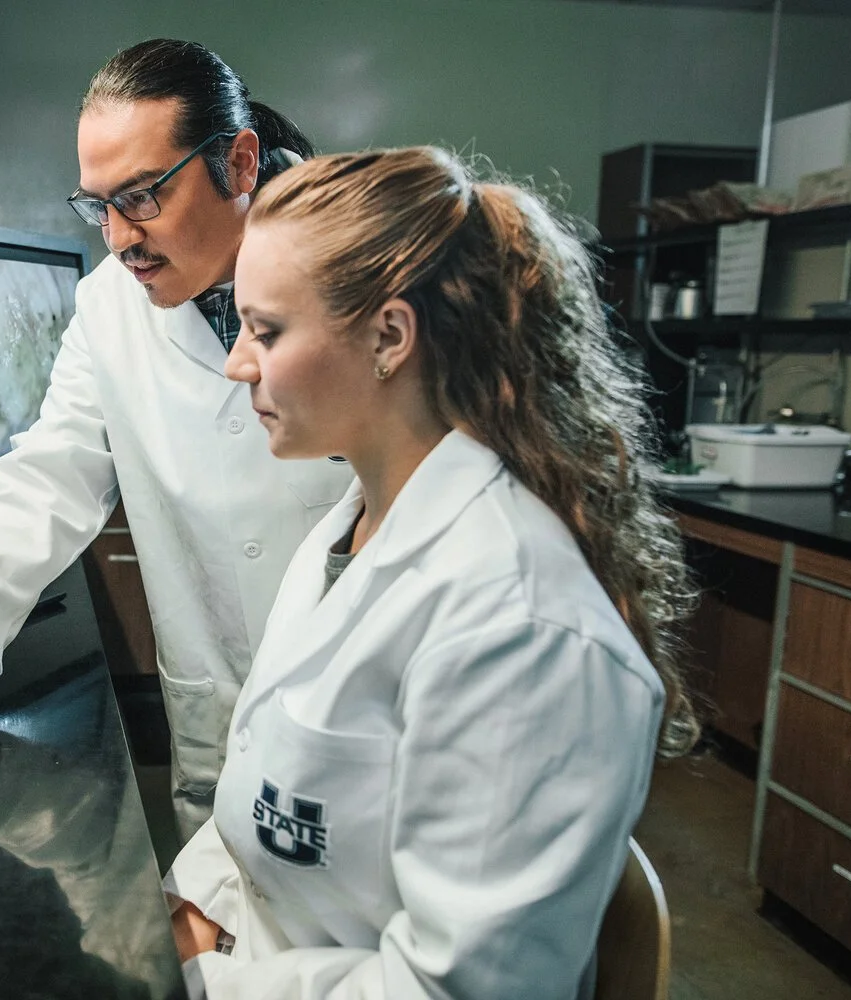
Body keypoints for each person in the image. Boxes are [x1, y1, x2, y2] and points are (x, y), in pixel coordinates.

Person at [162, 146, 699, 999]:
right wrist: (196, 907)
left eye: (266, 331)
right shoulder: (354, 527)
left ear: (388, 337)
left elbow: (457, 990)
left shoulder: (520, 626)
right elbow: (269, 780)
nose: (237, 363)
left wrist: (203, 981)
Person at [0, 40, 354, 840]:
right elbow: (52, 472)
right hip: (223, 725)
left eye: (142, 197)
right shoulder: (109, 305)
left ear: (237, 163)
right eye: (98, 207)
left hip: (364, 725)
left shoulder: (364, 285)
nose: (119, 238)